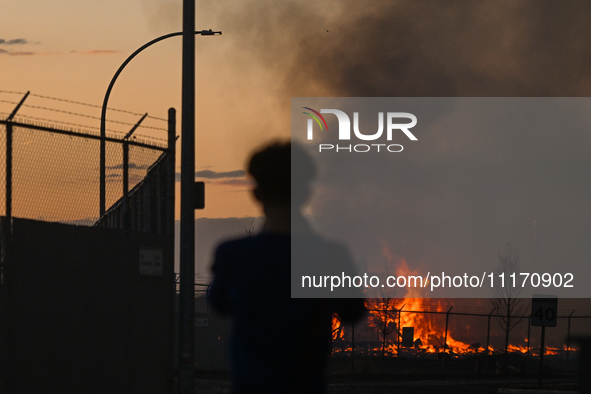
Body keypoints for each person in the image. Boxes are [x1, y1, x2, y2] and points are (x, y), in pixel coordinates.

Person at [208, 141, 366, 394]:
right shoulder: (332, 257)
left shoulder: (233, 255)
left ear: (257, 193)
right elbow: (352, 311)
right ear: (305, 193)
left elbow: (219, 303)